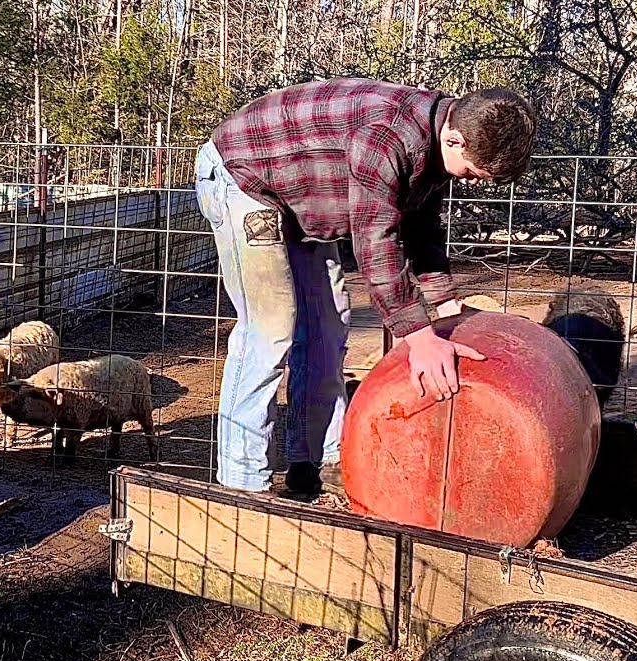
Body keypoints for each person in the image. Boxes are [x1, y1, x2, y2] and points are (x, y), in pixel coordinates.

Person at [194, 78, 537, 499]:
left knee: (329, 325)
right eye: (472, 172)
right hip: (245, 177)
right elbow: (376, 240)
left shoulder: (439, 142)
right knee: (270, 329)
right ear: (454, 138)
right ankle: (242, 484)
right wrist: (418, 335)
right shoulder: (387, 137)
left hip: (304, 197)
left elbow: (421, 229)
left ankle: (315, 461)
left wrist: (446, 304)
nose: (471, 182)